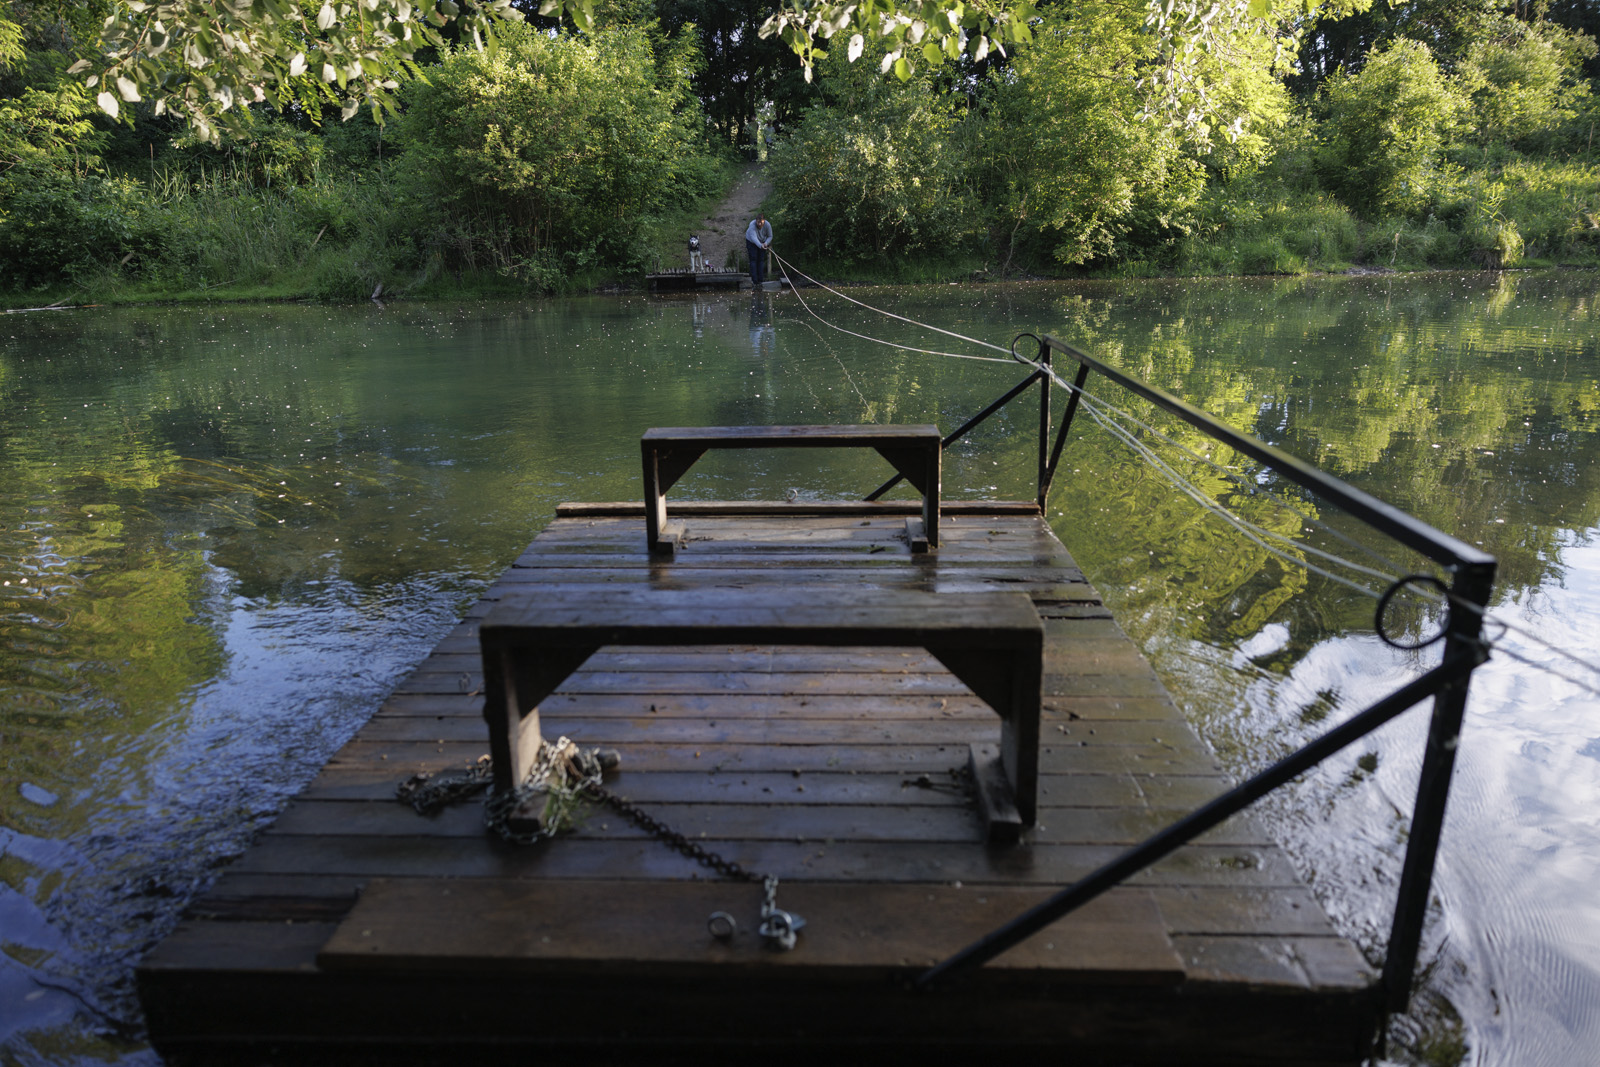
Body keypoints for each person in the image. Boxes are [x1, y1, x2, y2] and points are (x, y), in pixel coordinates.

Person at [745, 214, 773, 287]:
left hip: (763, 241)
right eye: (758, 222)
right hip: (751, 242)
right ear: (756, 221)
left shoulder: (767, 225)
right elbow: (754, 238)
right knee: (753, 259)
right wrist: (761, 246)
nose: (760, 224)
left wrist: (766, 243)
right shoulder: (752, 226)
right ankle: (755, 280)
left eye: (761, 222)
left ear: (764, 221)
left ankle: (760, 280)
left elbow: (770, 236)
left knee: (761, 260)